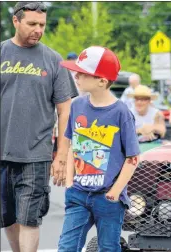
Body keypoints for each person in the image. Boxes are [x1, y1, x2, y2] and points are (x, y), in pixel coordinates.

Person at [0, 2, 79, 252]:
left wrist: (62, 155)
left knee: (30, 217)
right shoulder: (0, 54)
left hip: (36, 154)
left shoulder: (53, 60)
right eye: (32, 24)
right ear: (16, 21)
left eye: (42, 25)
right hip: (1, 152)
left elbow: (65, 110)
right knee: (7, 217)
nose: (38, 29)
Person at [57, 46, 141, 251]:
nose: (76, 75)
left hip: (108, 197)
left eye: (83, 73)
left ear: (102, 81)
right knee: (67, 247)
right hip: (78, 193)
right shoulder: (77, 105)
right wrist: (69, 182)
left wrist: (115, 192)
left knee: (108, 247)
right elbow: (72, 145)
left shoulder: (121, 113)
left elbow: (132, 158)